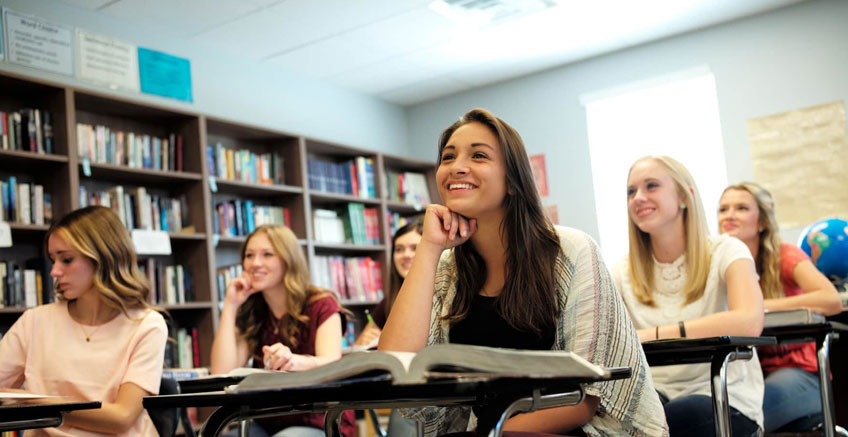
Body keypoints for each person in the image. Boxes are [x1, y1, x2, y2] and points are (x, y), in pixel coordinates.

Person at [379, 108, 668, 436]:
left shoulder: (570, 251)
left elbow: (589, 396)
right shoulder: (449, 266)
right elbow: (396, 365)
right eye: (448, 157)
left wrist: (495, 432)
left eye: (478, 155)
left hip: (576, 429)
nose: (457, 166)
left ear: (513, 181)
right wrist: (429, 248)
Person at [611, 156, 765, 437]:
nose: (638, 198)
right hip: (654, 392)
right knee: (616, 423)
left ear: (684, 196)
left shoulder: (727, 250)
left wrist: (654, 333)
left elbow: (749, 321)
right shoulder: (620, 270)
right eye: (631, 191)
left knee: (666, 422)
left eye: (652, 186)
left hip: (722, 393)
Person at [0, 205, 168, 436]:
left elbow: (121, 418)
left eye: (67, 260)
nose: (54, 272)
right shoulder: (35, 321)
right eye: (53, 260)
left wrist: (32, 401)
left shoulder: (147, 325)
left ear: (104, 258)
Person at [718, 182, 841, 432]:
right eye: (723, 209)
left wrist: (758, 306)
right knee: (709, 407)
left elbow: (831, 300)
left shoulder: (783, 255)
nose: (729, 215)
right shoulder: (717, 263)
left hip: (800, 373)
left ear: (762, 222)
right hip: (747, 373)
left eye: (741, 208)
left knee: (736, 417)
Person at [210, 224, 355, 437]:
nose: (255, 263)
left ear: (289, 260)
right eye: (249, 255)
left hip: (321, 419)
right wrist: (230, 305)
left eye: (267, 254)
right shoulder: (253, 311)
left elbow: (332, 364)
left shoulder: (322, 303)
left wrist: (294, 362)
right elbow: (221, 371)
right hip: (268, 420)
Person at [354, 221, 423, 347]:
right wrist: (364, 340)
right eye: (399, 249)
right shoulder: (390, 299)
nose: (406, 255)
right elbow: (358, 345)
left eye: (415, 248)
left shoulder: (447, 293)